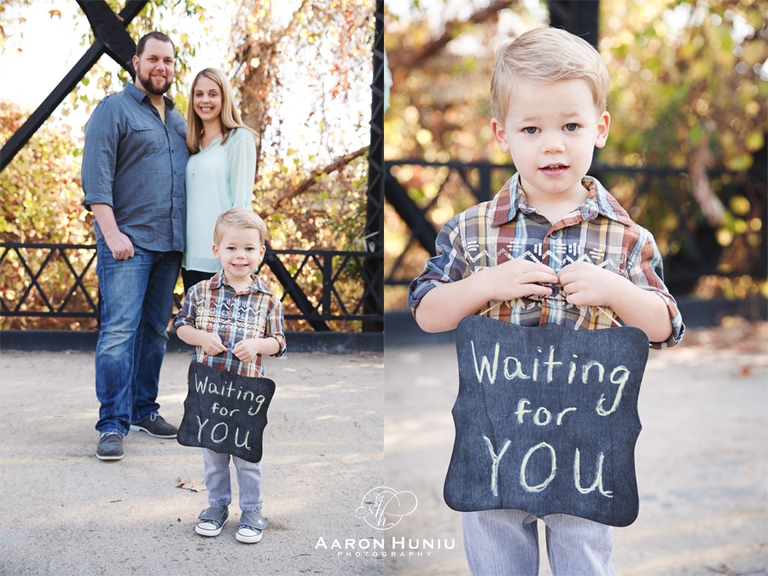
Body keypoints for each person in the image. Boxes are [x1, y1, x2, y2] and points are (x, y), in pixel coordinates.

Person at [408, 27, 685, 575]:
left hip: (586, 448)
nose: (552, 144)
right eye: (531, 128)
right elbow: (426, 312)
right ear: (501, 133)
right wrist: (485, 284)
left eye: (571, 126)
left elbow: (666, 325)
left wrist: (618, 292)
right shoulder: (473, 232)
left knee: (582, 558)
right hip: (494, 441)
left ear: (600, 129)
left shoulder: (627, 238)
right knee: (497, 556)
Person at [82, 31, 189, 461]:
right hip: (127, 243)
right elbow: (96, 178)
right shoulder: (114, 109)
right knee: (118, 334)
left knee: (154, 335)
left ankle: (144, 409)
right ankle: (111, 424)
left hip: (170, 245)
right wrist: (112, 234)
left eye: (168, 61)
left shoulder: (180, 121)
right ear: (136, 62)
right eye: (153, 60)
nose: (161, 67)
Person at [174, 207, 286, 544]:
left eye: (249, 249)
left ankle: (252, 511)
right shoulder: (199, 293)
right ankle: (216, 507)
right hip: (209, 391)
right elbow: (180, 326)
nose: (240, 256)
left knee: (246, 458)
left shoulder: (269, 301)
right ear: (216, 251)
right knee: (213, 454)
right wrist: (201, 339)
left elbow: (279, 342)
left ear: (261, 253)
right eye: (232, 248)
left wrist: (257, 345)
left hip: (247, 395)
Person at [182, 67, 258, 293]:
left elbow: (241, 206)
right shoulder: (192, 145)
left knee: (222, 329)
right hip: (189, 260)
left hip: (223, 261)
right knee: (196, 327)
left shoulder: (239, 139)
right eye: (199, 94)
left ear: (224, 98)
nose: (205, 100)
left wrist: (237, 259)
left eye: (213, 94)